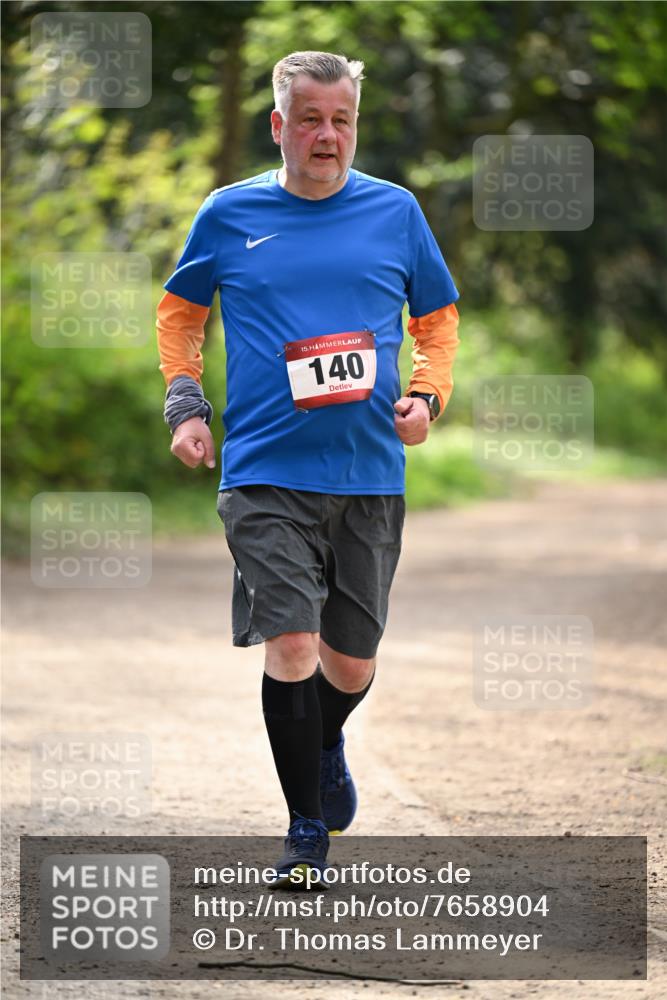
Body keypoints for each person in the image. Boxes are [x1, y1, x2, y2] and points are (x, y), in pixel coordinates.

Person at [156, 50, 460, 887]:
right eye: (312, 119)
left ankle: (324, 740)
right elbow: (180, 313)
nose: (328, 136)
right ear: (279, 124)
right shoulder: (229, 212)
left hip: (366, 471)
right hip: (261, 468)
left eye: (342, 120)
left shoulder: (394, 212)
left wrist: (426, 399)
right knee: (290, 643)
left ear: (353, 124)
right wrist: (186, 405)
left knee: (349, 663)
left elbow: (436, 320)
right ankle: (303, 834)